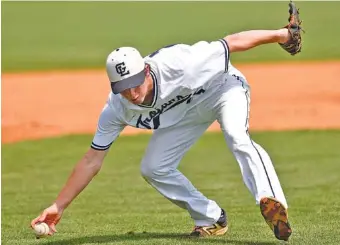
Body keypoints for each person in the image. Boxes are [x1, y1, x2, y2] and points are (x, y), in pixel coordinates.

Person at [31, 1, 302, 241]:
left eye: (135, 83)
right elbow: (92, 159)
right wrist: (59, 205)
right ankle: (210, 218)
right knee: (153, 167)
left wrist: (281, 35)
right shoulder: (116, 108)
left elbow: (231, 42)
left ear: (145, 70)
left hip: (221, 90)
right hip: (185, 114)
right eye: (123, 87)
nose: (131, 93)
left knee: (236, 136)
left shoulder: (180, 63)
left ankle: (272, 202)